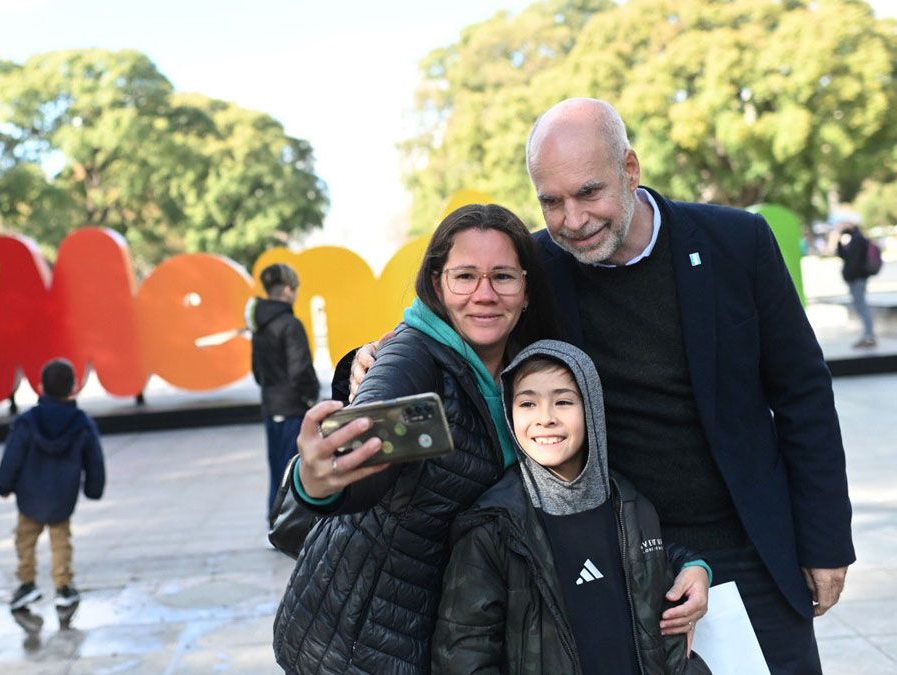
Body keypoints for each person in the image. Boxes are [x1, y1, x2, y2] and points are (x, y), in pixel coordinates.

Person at [350, 98, 854, 673]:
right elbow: (452, 319)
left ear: (630, 170)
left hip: (752, 542)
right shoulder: (540, 264)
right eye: (551, 201)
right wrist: (366, 358)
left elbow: (803, 393)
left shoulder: (737, 242)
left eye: (589, 193)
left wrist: (825, 539)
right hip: (622, 551)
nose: (571, 219)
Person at [273, 204, 568, 674]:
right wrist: (318, 479)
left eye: (504, 277)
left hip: (446, 632)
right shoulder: (410, 360)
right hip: (362, 645)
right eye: (465, 276)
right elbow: (362, 473)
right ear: (437, 284)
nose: (484, 294)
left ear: (527, 289)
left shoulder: (528, 368)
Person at [433, 340, 712, 674]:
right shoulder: (492, 528)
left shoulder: (631, 505)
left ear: (592, 409)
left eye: (563, 401)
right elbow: (463, 659)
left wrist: (697, 566)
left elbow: (666, 632)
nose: (545, 418)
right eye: (527, 404)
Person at [0, 358, 106, 619]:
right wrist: (94, 488)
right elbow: (95, 459)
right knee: (61, 541)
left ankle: (27, 583)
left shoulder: (27, 421)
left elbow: (13, 455)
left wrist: (4, 485)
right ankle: (63, 586)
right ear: (75, 388)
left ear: (39, 387)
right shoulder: (81, 423)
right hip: (62, 495)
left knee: (25, 539)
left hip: (30, 494)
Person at [248, 263, 320, 515]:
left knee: (277, 468)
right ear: (288, 290)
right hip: (293, 409)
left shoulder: (259, 325)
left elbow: (257, 372)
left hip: (271, 407)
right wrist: (312, 397)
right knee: (296, 471)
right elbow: (301, 370)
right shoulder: (290, 324)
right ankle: (292, 528)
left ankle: (274, 522)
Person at [833, 219, 878, 349]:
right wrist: (839, 241)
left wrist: (850, 276)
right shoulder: (854, 239)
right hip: (856, 278)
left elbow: (854, 261)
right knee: (860, 306)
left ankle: (869, 335)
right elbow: (845, 256)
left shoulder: (858, 240)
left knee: (862, 306)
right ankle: (868, 334)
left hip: (857, 279)